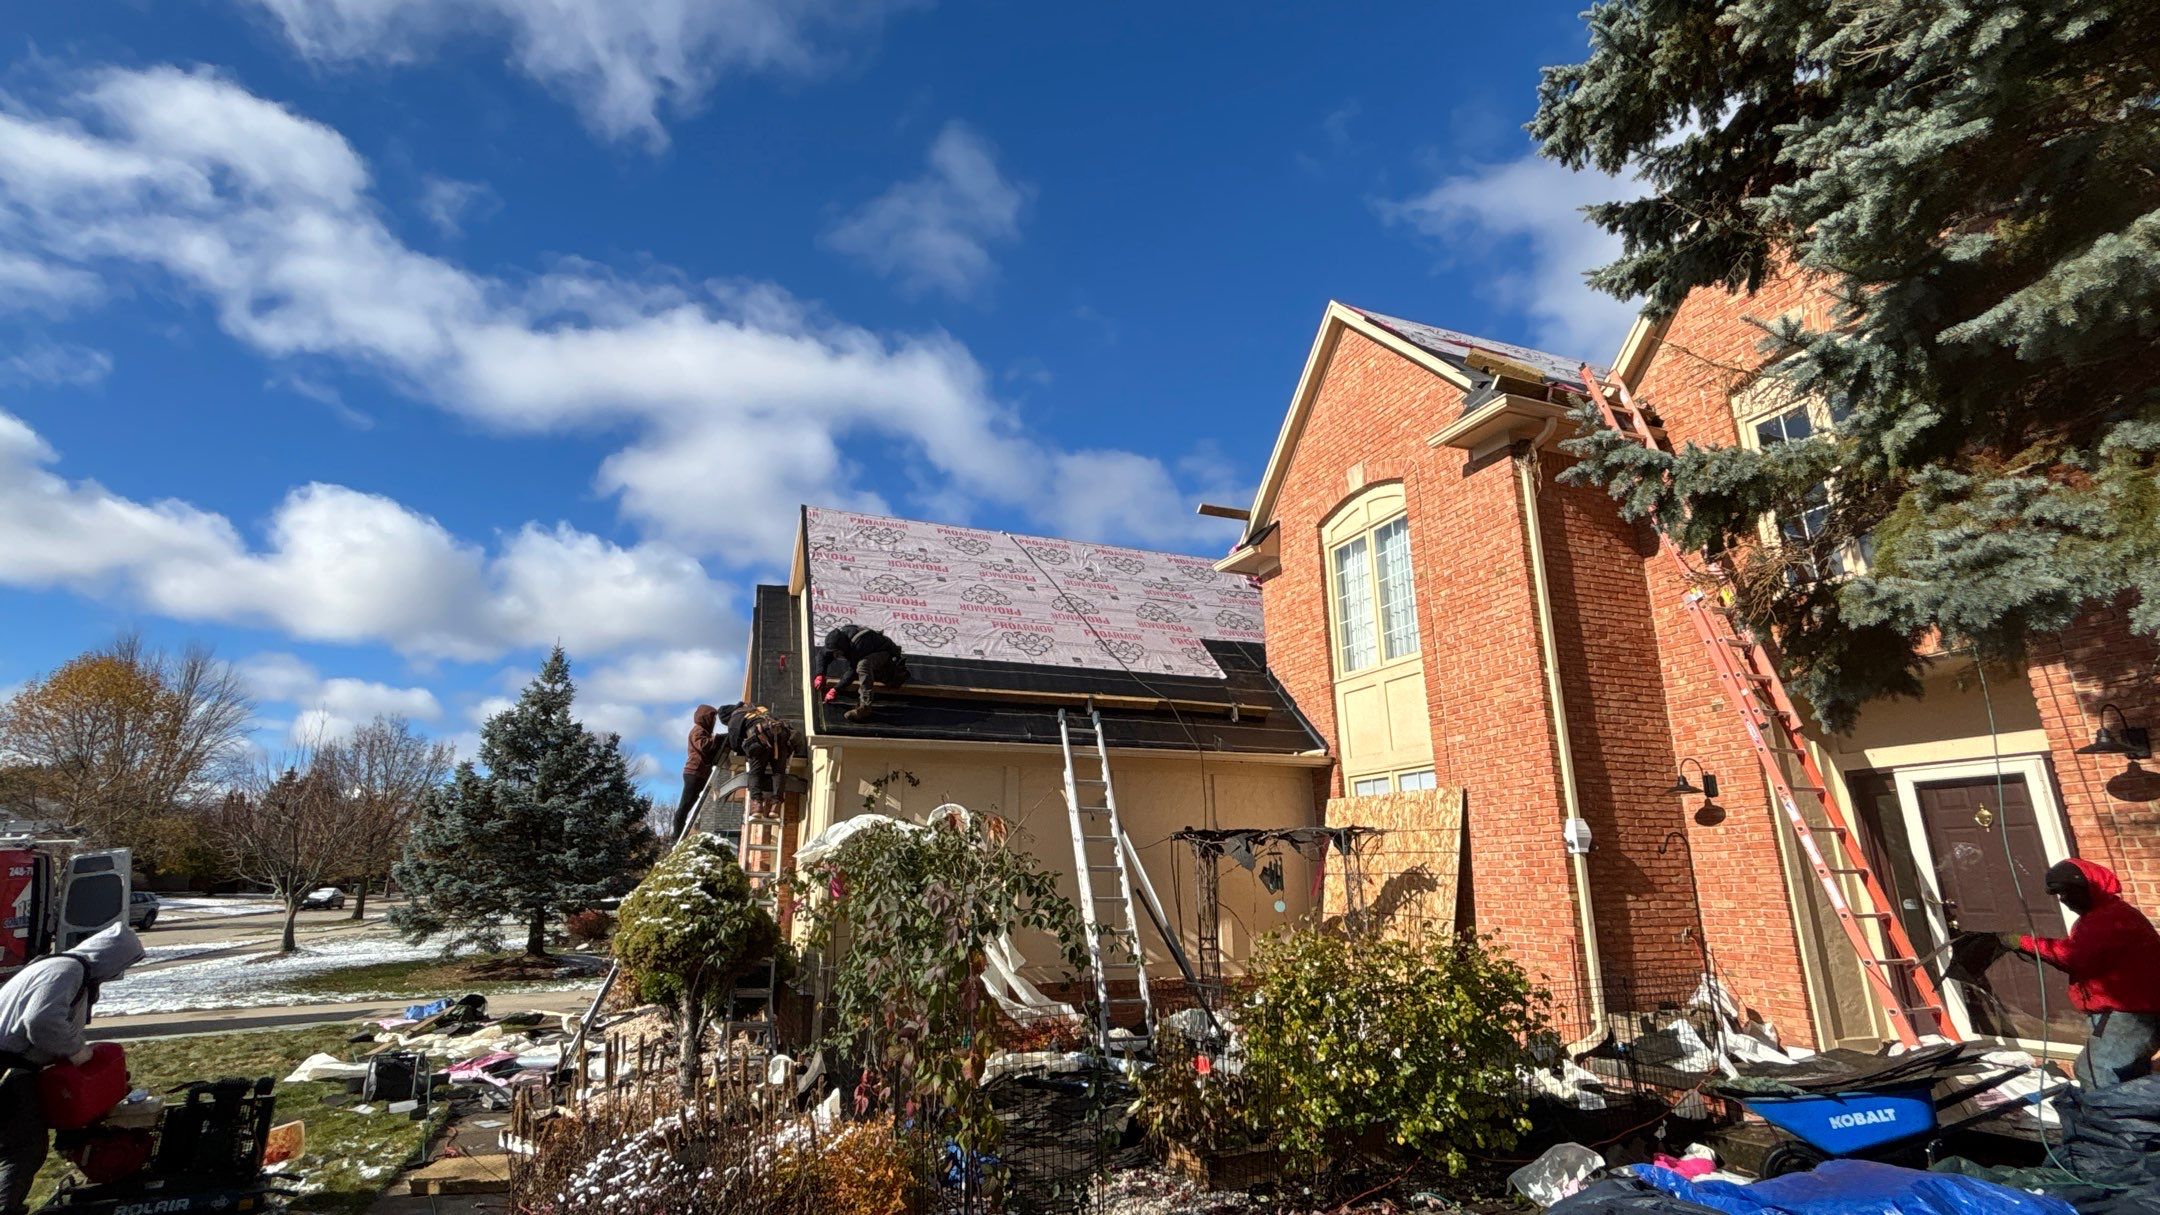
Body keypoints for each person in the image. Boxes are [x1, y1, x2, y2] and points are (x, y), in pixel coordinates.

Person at [0, 922, 146, 1215]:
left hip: (13, 1064)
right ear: (111, 957)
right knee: (23, 1148)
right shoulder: (68, 971)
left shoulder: (56, 966)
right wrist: (77, 1050)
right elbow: (41, 1022)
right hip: (8, 1069)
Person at [1999, 858, 2160, 1089]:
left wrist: (2020, 942)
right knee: (2130, 1075)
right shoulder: (2100, 916)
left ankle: (2114, 1123)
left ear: (2087, 888)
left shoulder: (2108, 919)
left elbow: (2071, 956)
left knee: (2094, 1073)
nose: (2063, 900)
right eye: (2059, 895)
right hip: (2124, 1011)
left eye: (2066, 893)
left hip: (2130, 1015)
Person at [816, 626, 911, 722]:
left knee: (862, 666)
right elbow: (823, 654)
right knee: (862, 664)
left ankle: (865, 707)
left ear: (842, 647)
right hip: (871, 652)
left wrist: (836, 689)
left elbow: (852, 672)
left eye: (837, 653)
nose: (836, 656)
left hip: (888, 658)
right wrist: (820, 674)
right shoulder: (840, 639)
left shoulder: (859, 645)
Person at [674, 703, 734, 840]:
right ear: (705, 718)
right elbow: (704, 746)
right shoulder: (698, 730)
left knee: (692, 803)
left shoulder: (705, 732)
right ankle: (676, 836)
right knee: (685, 805)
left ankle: (681, 834)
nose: (713, 721)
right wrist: (718, 739)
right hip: (694, 772)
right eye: (712, 718)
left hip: (701, 773)